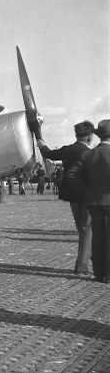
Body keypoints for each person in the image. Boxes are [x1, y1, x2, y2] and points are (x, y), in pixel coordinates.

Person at [37, 120, 95, 276]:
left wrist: (40, 141)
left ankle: (91, 260)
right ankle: (83, 266)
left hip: (71, 194)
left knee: (82, 228)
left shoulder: (67, 150)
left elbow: (48, 153)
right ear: (90, 137)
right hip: (87, 195)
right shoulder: (89, 153)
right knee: (87, 229)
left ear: (76, 135)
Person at [72, 119, 110, 283]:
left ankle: (99, 273)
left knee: (97, 237)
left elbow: (73, 176)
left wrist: (87, 191)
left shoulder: (88, 154)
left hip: (93, 201)